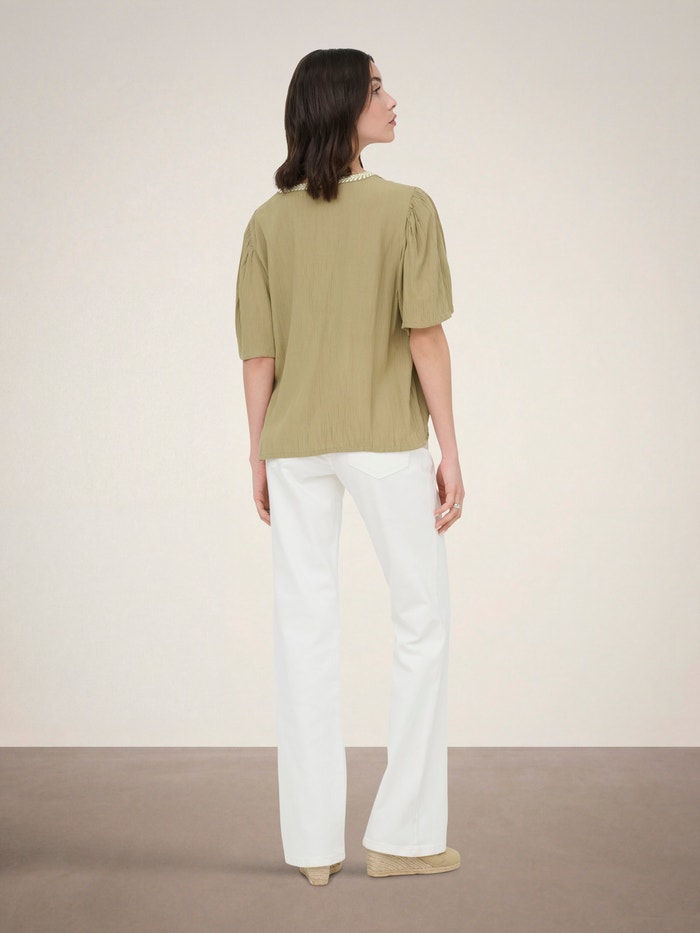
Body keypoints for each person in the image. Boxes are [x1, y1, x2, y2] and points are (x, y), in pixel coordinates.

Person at [235, 48, 464, 885]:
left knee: (303, 629)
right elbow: (424, 334)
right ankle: (403, 835)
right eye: (375, 88)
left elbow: (258, 354)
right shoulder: (407, 208)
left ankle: (312, 850)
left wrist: (258, 449)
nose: (392, 99)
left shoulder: (268, 222)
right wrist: (449, 446)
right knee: (421, 621)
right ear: (341, 107)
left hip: (295, 442)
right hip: (384, 439)